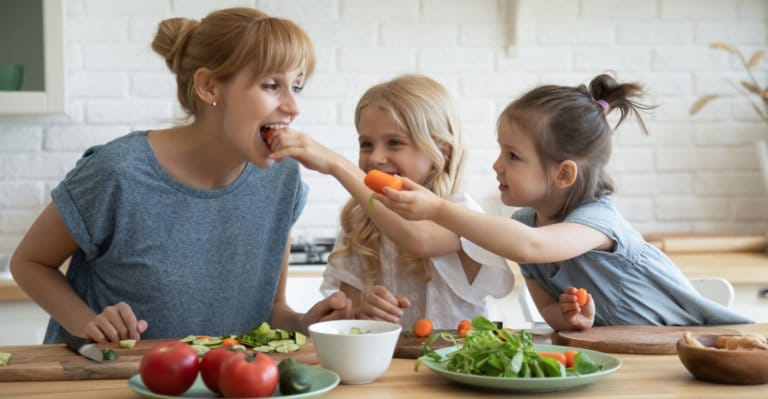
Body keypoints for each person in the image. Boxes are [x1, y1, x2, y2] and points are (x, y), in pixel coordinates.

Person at [9, 7, 352, 344]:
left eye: (298, 86)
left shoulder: (283, 179)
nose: (294, 107)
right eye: (272, 85)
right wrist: (90, 324)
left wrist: (306, 322)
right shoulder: (118, 172)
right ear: (209, 87)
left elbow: (271, 310)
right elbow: (29, 263)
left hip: (223, 383)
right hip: (111, 380)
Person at [374, 73, 753, 331]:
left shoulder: (597, 220)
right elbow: (549, 312)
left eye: (513, 156)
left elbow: (531, 247)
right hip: (623, 356)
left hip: (697, 344)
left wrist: (438, 209)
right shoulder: (523, 225)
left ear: (563, 174)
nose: (497, 165)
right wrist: (571, 317)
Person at [268, 74, 515, 330]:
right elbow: (347, 314)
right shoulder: (360, 223)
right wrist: (363, 309)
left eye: (394, 143)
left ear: (441, 149)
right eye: (366, 144)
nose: (376, 158)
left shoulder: (460, 212)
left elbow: (419, 239)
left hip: (455, 364)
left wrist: (336, 165)